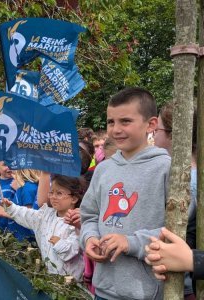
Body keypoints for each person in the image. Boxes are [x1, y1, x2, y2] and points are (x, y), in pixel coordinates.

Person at [80, 87, 171, 300]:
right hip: (103, 289)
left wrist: (131, 243)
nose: (116, 129)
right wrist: (90, 237)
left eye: (125, 121)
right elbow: (90, 215)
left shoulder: (167, 168)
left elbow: (179, 230)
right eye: (111, 122)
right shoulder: (103, 169)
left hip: (146, 293)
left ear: (151, 124)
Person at [0, 175, 84, 279]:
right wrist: (11, 208)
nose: (53, 197)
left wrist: (59, 244)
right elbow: (28, 215)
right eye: (51, 192)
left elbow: (72, 252)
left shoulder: (77, 222)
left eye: (59, 193)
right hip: (50, 278)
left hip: (70, 282)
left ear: (74, 198)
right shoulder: (46, 214)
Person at [152, 102, 197, 299]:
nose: (153, 133)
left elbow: (163, 228)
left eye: (158, 128)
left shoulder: (187, 182)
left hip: (182, 284)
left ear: (174, 135)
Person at [0, 169, 40, 241]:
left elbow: (30, 216)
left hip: (27, 239)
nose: (10, 169)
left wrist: (4, 212)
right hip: (18, 236)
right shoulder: (23, 187)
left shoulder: (28, 189)